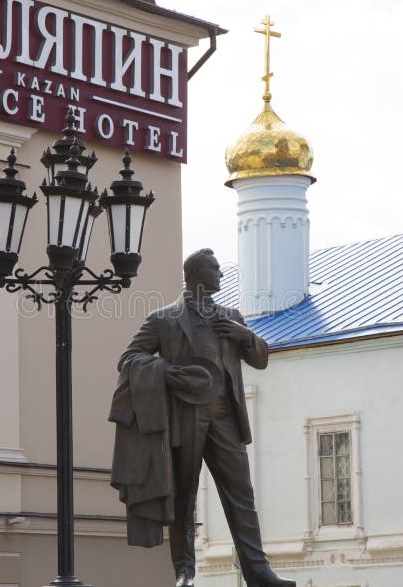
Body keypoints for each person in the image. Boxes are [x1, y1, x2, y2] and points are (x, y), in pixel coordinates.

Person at [109, 248, 295, 587]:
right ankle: (185, 572)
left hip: (225, 416)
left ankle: (259, 572)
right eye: (215, 268)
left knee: (242, 495)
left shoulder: (232, 315)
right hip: (186, 414)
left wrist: (244, 335)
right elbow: (129, 359)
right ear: (197, 274)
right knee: (184, 495)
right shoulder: (164, 319)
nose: (221, 275)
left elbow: (261, 359)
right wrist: (170, 372)